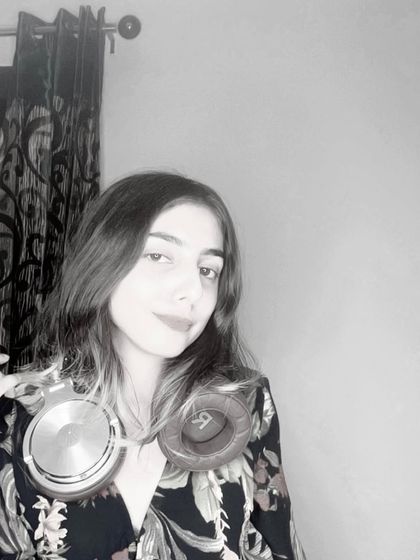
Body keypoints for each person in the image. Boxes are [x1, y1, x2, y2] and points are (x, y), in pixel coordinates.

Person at [0, 172, 305, 560]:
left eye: (207, 270)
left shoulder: (246, 404)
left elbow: (281, 549)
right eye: (159, 256)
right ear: (103, 260)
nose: (193, 291)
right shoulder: (17, 416)